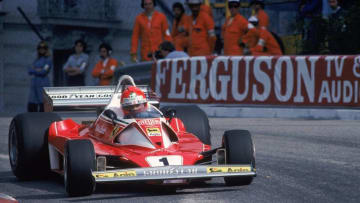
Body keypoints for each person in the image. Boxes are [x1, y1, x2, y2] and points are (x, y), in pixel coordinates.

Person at [27, 41, 52, 112]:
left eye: (44, 48)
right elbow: (29, 70)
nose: (41, 49)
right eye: (40, 48)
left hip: (43, 83)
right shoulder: (36, 60)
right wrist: (37, 70)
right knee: (32, 104)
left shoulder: (48, 60)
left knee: (43, 103)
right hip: (35, 83)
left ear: (46, 49)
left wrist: (35, 70)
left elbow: (44, 71)